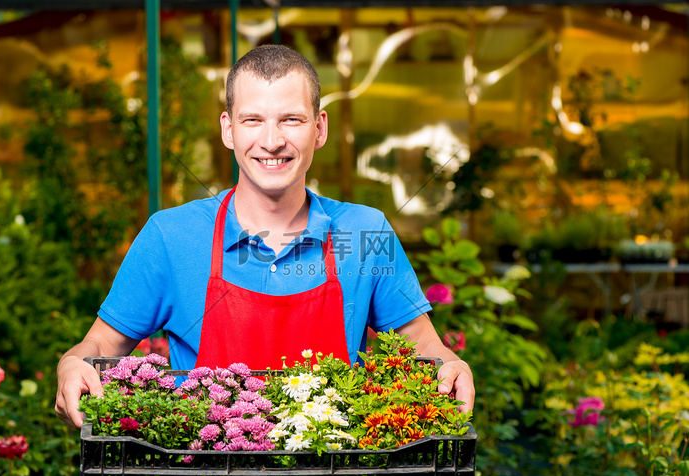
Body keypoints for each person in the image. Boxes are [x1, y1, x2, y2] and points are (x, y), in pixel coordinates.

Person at [55, 44, 474, 429]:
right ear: (228, 129)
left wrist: (450, 365)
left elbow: (421, 343)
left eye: (291, 119)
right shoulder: (171, 236)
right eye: (253, 120)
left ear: (320, 128)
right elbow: (100, 343)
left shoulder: (365, 232)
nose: (272, 142)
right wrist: (72, 365)